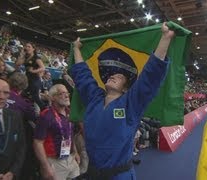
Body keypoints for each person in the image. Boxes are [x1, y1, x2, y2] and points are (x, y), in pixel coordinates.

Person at [71, 22, 175, 179]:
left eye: (119, 77)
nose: (113, 76)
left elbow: (150, 77)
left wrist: (165, 38)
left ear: (125, 88)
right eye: (112, 75)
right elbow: (82, 76)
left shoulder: (131, 104)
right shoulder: (94, 99)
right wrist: (76, 49)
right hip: (93, 175)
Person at [33, 84, 80, 180]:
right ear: (53, 97)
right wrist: (45, 166)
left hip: (71, 159)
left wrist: (75, 152)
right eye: (62, 93)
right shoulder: (46, 116)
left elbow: (70, 135)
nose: (67, 96)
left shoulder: (70, 112)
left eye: (67, 93)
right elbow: (37, 143)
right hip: (55, 162)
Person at [16, 42, 46, 110]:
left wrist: (33, 71)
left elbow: (43, 68)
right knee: (23, 95)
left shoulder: (36, 58)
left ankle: (45, 110)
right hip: (27, 79)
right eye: (26, 46)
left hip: (35, 80)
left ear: (33, 49)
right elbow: (17, 64)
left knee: (35, 97)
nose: (27, 48)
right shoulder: (25, 57)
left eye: (29, 46)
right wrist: (22, 54)